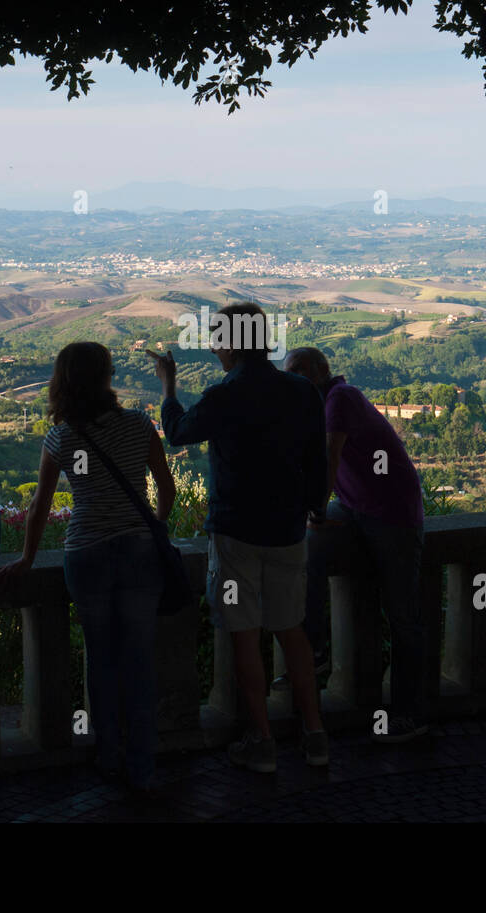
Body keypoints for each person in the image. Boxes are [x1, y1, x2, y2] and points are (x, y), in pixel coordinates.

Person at [150, 302, 329, 773]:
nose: (212, 346)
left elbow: (176, 433)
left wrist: (168, 385)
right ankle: (315, 737)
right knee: (293, 633)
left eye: (215, 337)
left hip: (235, 535)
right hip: (289, 532)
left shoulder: (224, 395)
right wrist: (314, 507)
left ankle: (263, 742)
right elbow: (317, 463)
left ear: (231, 342)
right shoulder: (302, 392)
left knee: (245, 638)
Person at [0, 342, 176, 794]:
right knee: (137, 659)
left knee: (100, 658)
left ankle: (108, 756)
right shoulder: (138, 425)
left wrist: (27, 558)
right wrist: (152, 526)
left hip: (86, 555)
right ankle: (143, 766)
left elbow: (39, 506)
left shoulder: (62, 437)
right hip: (138, 552)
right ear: (106, 376)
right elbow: (167, 487)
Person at [283, 346, 429, 742]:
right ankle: (314, 649)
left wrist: (312, 508)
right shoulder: (322, 402)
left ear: (317, 370)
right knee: (307, 552)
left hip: (392, 514)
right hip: (355, 506)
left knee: (402, 615)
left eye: (297, 370)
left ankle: (409, 713)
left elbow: (328, 459)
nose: (293, 377)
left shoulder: (339, 398)